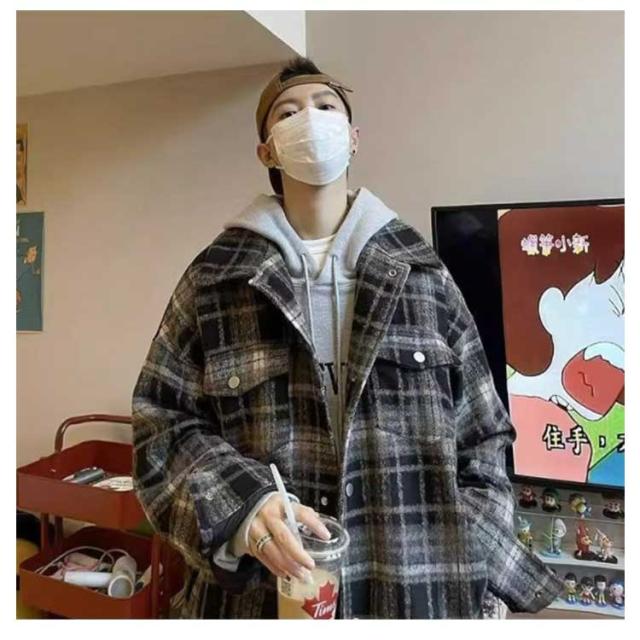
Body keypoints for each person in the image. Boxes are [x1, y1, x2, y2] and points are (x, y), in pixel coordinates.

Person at [131, 56, 563, 619]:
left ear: (353, 137)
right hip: (259, 602)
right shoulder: (215, 281)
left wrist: (468, 560)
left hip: (416, 602)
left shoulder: (424, 276)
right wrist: (241, 505)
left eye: (326, 106)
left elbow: (484, 435)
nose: (310, 119)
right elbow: (160, 423)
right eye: (288, 112)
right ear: (267, 151)